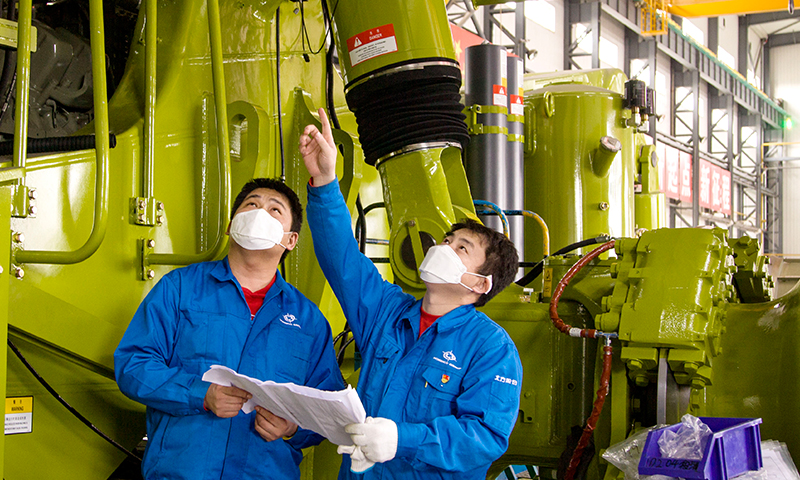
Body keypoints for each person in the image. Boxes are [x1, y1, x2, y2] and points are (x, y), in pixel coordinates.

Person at [299, 108, 523, 479]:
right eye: (447, 240)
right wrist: (324, 180)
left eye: (462, 248)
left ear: (480, 283)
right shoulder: (386, 312)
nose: (444, 247)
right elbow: (342, 259)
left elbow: (484, 436)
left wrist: (402, 440)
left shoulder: (490, 348)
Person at [114, 178, 345, 480]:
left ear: (291, 240)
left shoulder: (309, 321)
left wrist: (293, 427)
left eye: (275, 210)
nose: (259, 212)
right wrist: (200, 394)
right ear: (230, 225)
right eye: (251, 204)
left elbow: (328, 405)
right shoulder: (180, 289)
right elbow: (133, 365)